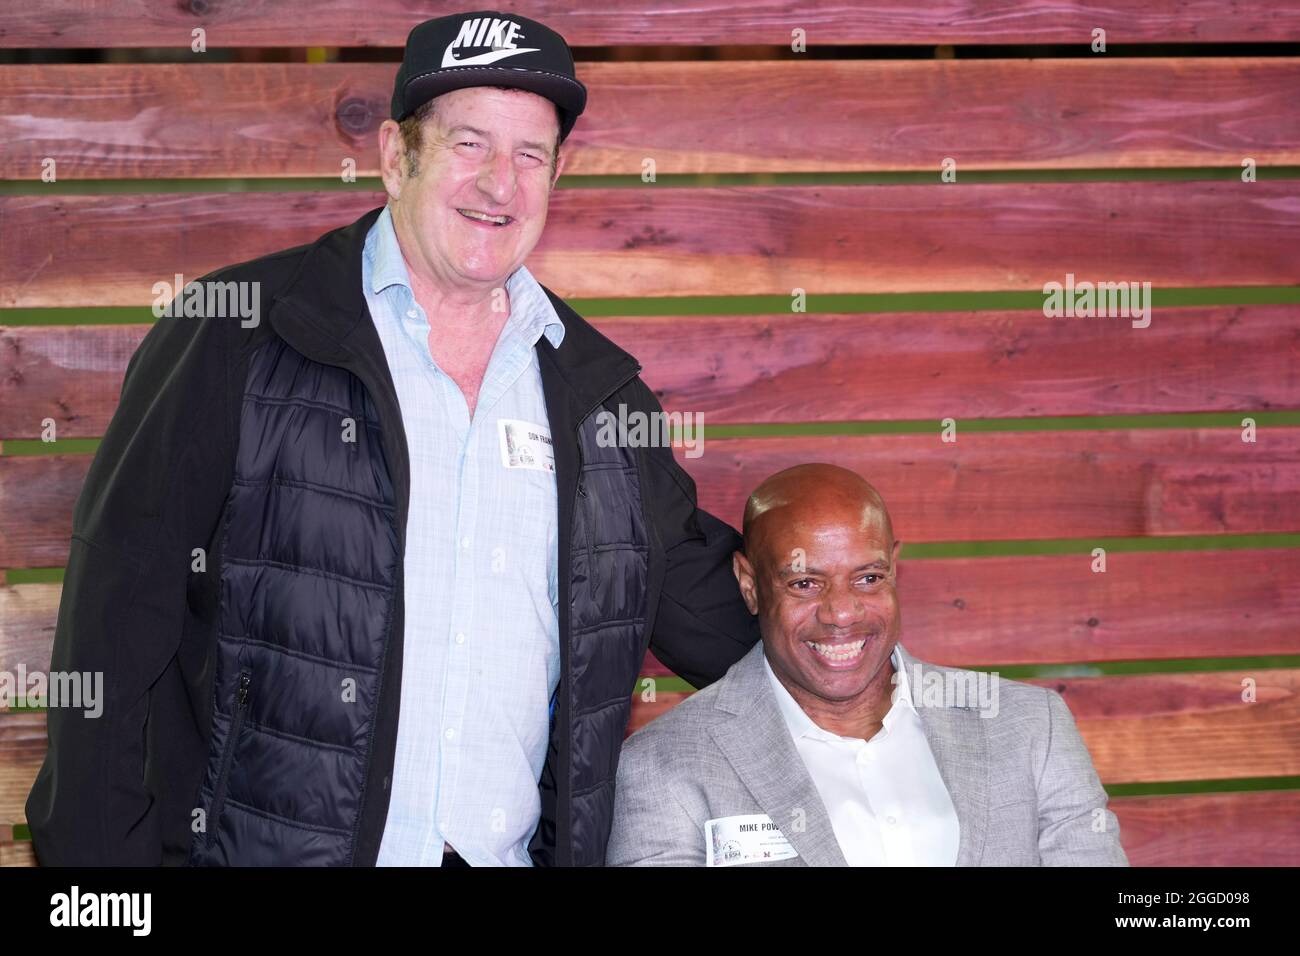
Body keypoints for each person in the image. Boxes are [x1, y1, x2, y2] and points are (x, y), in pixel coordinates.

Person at [26, 10, 758, 867]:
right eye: (469, 145)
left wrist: (872, 665)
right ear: (394, 155)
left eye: (530, 155)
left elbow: (717, 609)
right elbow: (113, 634)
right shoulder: (238, 336)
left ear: (562, 172)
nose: (500, 185)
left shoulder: (597, 392)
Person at [606, 463, 1128, 866]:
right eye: (804, 583)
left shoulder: (1032, 725)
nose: (841, 613)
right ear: (749, 584)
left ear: (894, 569)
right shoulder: (662, 765)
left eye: (868, 578)